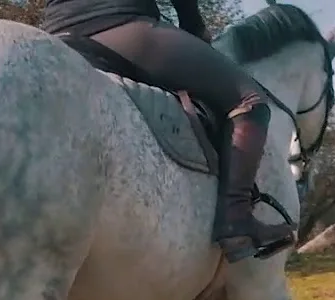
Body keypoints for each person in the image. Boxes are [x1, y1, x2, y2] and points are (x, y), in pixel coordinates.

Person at [42, 0, 296, 263]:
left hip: (54, 33)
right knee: (249, 99)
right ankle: (236, 218)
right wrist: (194, 29)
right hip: (120, 25)